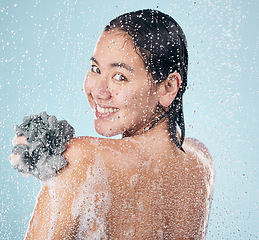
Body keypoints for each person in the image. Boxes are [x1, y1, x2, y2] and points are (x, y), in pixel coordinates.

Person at [10, 9, 214, 239]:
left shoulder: (83, 161)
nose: (98, 91)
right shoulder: (201, 163)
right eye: (96, 69)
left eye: (120, 76)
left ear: (168, 87)